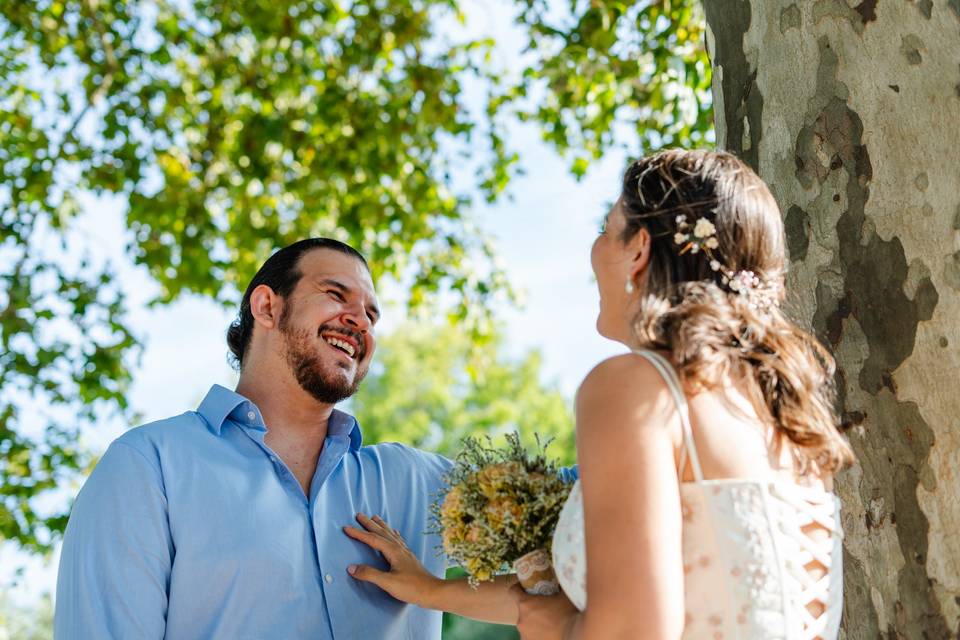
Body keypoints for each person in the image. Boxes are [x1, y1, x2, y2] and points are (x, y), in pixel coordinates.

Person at [345, 150, 854, 639]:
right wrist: (431, 590)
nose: (593, 250)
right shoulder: (785, 414)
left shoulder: (634, 387)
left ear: (638, 250)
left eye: (604, 230)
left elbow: (630, 629)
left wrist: (550, 630)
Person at [54, 238, 569, 638]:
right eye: (335, 294)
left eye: (371, 314)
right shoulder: (149, 468)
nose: (359, 320)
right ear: (267, 308)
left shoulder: (414, 485)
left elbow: (588, 500)